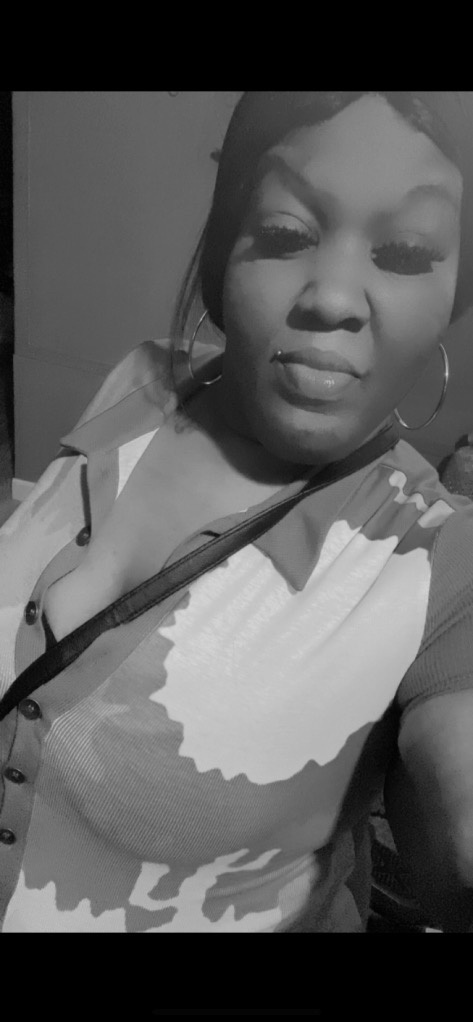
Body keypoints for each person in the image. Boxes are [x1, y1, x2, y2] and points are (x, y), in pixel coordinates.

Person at [0, 91, 473, 933]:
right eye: (286, 235)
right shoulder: (143, 382)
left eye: (403, 252)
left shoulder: (435, 555)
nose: (332, 296)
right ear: (225, 253)